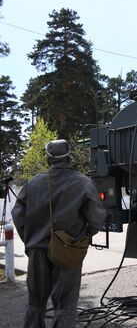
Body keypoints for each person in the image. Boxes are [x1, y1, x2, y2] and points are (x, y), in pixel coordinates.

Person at [12, 139, 106, 328]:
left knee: (35, 304)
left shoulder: (33, 183)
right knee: (65, 304)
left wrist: (30, 240)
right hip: (69, 250)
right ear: (69, 157)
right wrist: (84, 237)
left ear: (48, 158)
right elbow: (96, 218)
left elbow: (18, 214)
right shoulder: (83, 183)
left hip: (38, 250)